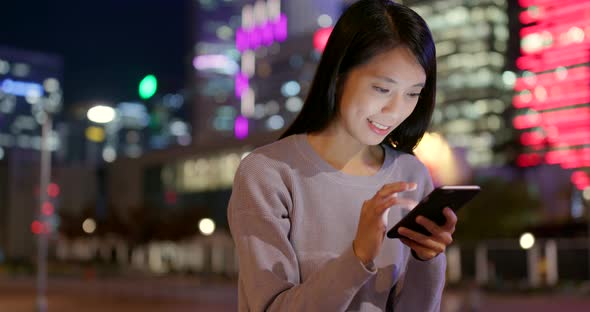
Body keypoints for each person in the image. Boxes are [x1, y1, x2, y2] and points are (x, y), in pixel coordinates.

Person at [227, 0, 457, 311]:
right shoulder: (268, 173)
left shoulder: (411, 175)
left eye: (413, 94)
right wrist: (357, 257)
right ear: (339, 75)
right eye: (381, 89)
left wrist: (427, 259)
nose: (395, 111)